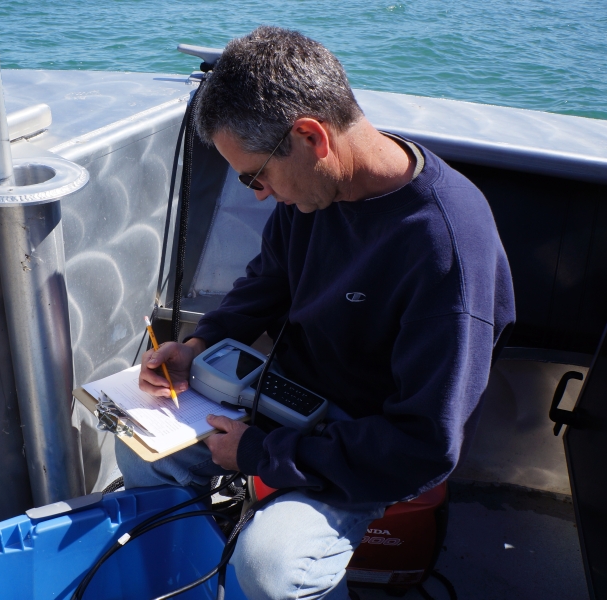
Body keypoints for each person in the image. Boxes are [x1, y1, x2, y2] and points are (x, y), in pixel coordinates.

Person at [116, 25, 515, 600]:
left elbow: (425, 446)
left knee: (272, 567)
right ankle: (198, 577)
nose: (256, 194)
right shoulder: (315, 190)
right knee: (139, 447)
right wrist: (200, 346)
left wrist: (260, 454)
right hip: (282, 402)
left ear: (311, 136)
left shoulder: (445, 248)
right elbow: (268, 280)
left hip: (365, 443)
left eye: (257, 176)